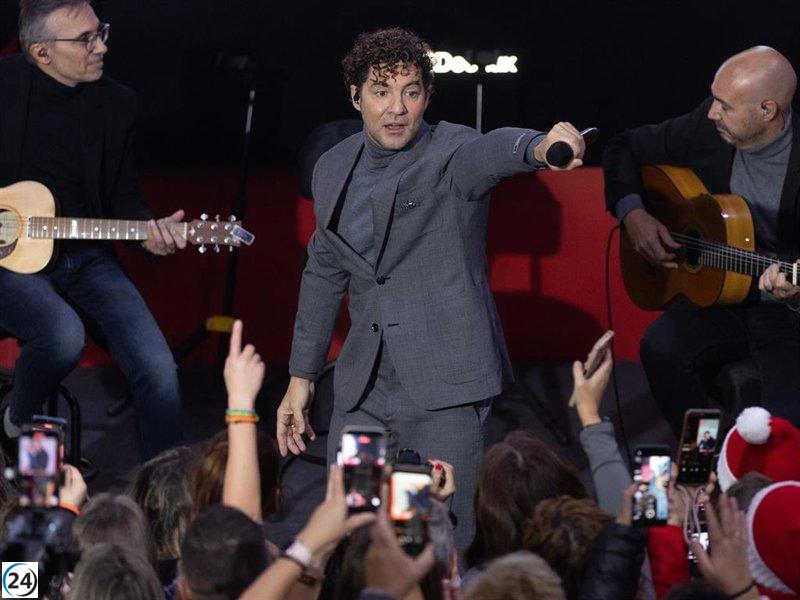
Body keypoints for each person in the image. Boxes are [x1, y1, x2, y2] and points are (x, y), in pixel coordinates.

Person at [277, 26, 585, 551]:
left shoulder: (451, 152)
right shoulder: (332, 168)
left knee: (438, 541)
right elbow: (324, 272)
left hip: (443, 389)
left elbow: (493, 151)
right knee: (352, 531)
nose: (396, 108)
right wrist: (301, 377)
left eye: (411, 92)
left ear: (427, 95)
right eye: (381, 91)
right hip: (363, 392)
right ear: (355, 97)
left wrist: (539, 147)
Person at [0, 0, 186, 460]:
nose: (101, 45)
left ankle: (163, 507)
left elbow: (123, 198)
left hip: (85, 258)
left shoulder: (117, 103)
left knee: (159, 371)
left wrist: (149, 235)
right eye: (84, 39)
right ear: (42, 52)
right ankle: (16, 422)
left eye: (100, 31)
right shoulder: (3, 85)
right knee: (62, 335)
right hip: (8, 261)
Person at [603, 46, 800, 437]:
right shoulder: (706, 128)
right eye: (714, 100)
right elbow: (622, 146)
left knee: (782, 440)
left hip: (789, 316)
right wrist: (634, 214)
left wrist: (793, 295)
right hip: (726, 299)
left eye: (725, 106)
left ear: (767, 110)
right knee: (661, 348)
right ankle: (701, 460)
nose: (712, 112)